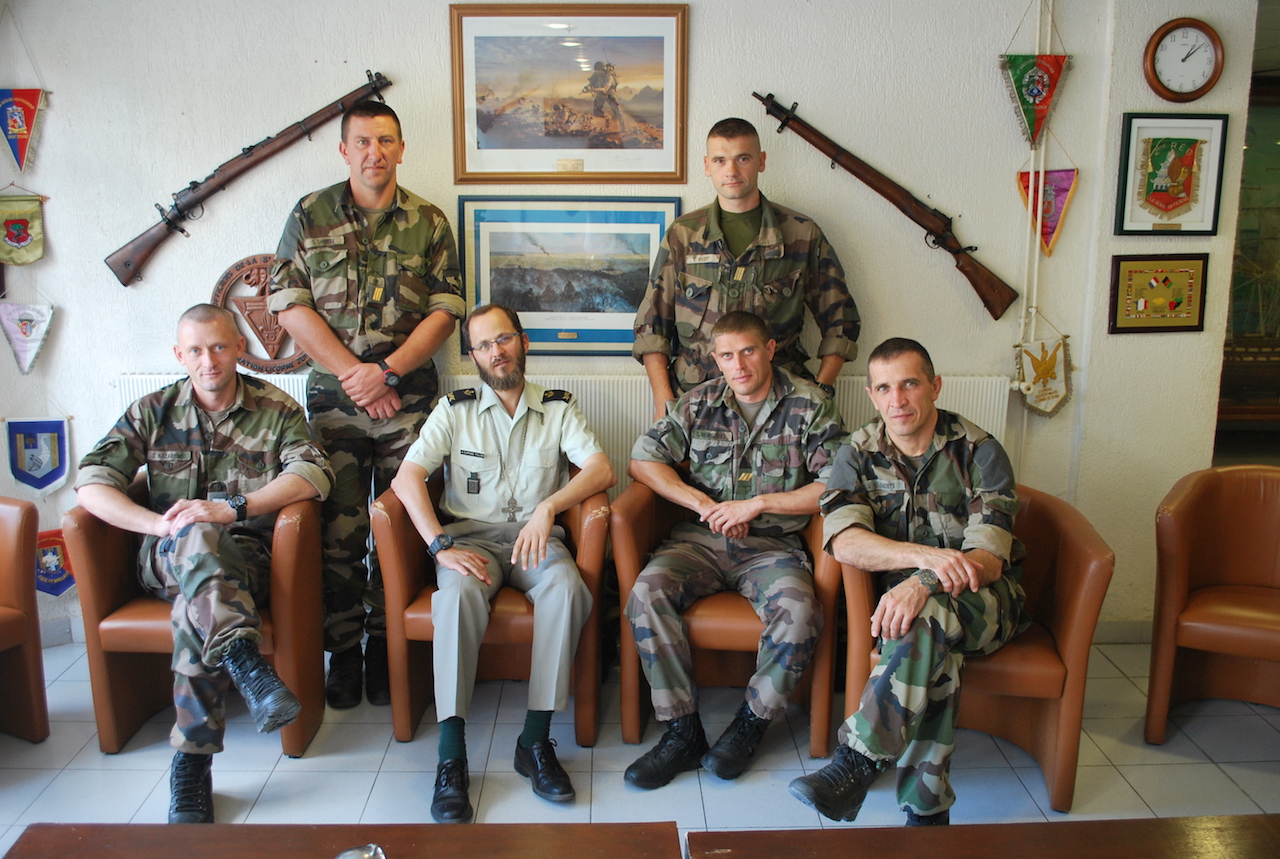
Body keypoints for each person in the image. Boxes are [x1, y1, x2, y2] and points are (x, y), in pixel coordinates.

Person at [74, 304, 333, 824]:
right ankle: (246, 664)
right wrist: (160, 526)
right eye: (195, 350)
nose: (208, 360)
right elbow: (91, 481)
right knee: (195, 539)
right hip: (166, 553)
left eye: (218, 346)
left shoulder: (276, 409)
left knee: (199, 602)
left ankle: (190, 765)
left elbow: (313, 475)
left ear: (240, 347)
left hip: (246, 558)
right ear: (179, 355)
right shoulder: (153, 410)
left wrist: (235, 508)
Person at [268, 99, 466, 709]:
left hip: (409, 403)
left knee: (402, 528)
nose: (374, 152)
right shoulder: (310, 214)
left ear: (401, 149)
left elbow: (445, 312)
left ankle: (389, 650)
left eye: (385, 141)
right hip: (334, 403)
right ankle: (345, 654)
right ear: (344, 149)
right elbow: (288, 304)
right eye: (362, 142)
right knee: (338, 532)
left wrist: (386, 373)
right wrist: (355, 375)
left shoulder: (429, 222)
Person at [389, 303, 615, 823]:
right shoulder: (454, 408)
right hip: (471, 541)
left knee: (568, 589)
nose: (497, 351)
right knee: (458, 596)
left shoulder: (557, 407)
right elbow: (406, 480)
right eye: (485, 345)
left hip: (535, 542)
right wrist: (440, 546)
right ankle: (451, 756)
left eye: (505, 339)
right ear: (473, 357)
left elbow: (600, 468)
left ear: (523, 342)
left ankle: (533, 743)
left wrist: (549, 506)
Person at [788, 337, 1027, 826]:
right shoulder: (855, 453)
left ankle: (855, 763)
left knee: (928, 614)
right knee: (933, 646)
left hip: (988, 601)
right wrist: (927, 560)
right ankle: (926, 810)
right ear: (873, 396)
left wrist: (923, 582)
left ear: (934, 387)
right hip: (907, 609)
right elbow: (845, 542)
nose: (897, 400)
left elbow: (989, 557)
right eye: (884, 388)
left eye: (910, 384)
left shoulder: (980, 451)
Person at [623, 310, 846, 789]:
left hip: (773, 546)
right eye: (726, 355)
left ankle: (749, 725)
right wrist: (702, 502)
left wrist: (759, 504)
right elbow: (643, 462)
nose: (738, 365)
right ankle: (682, 731)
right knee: (645, 593)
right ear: (715, 359)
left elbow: (836, 484)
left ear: (769, 349)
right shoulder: (698, 402)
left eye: (748, 351)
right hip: (701, 540)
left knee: (802, 611)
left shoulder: (811, 404)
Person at [632, 117, 861, 421]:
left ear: (761, 161)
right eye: (720, 160)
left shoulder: (800, 234)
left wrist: (821, 390)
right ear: (706, 165)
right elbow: (652, 328)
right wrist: (664, 399)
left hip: (781, 407)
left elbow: (841, 322)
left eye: (743, 158)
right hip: (697, 403)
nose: (732, 170)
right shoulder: (683, 236)